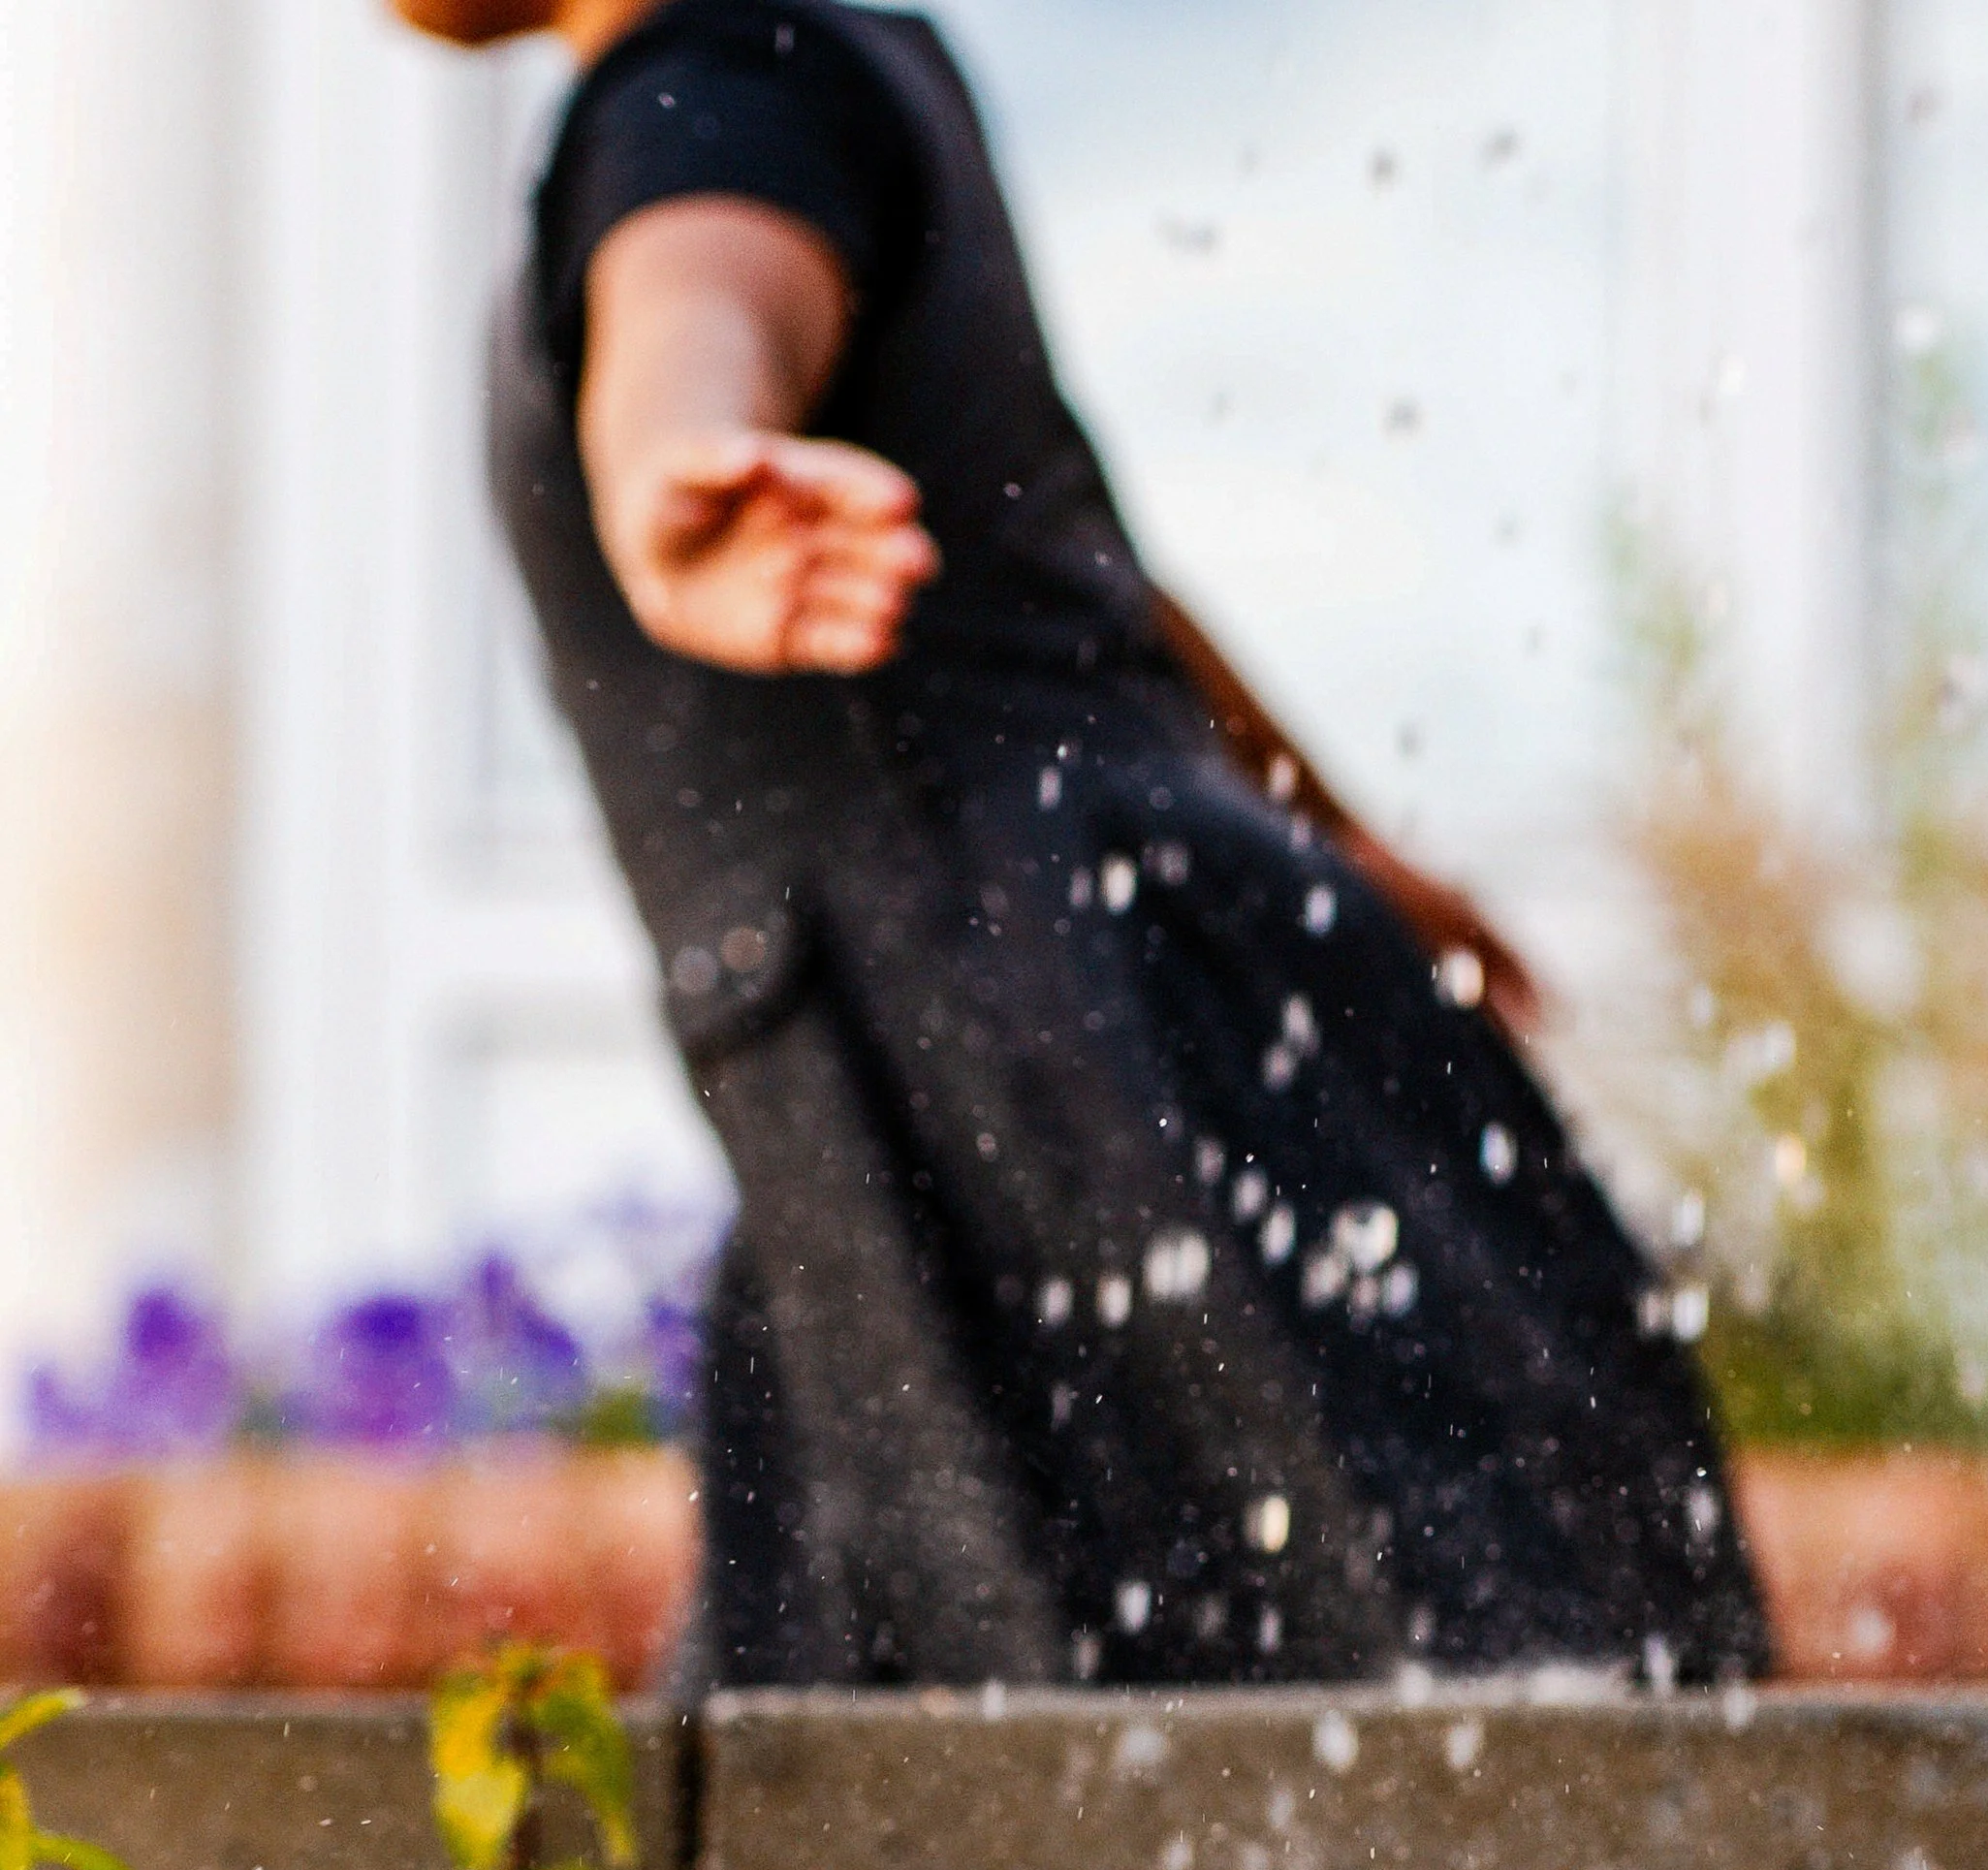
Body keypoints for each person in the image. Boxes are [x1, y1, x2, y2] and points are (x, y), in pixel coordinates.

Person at [394, 0, 1771, 1693]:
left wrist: (672, 458)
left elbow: (696, 298)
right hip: (1039, 1059)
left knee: (1301, 1760)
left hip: (1057, 1089)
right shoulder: (834, 58)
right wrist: (1333, 842)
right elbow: (1077, 559)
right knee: (1417, 1725)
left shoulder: (718, 86)